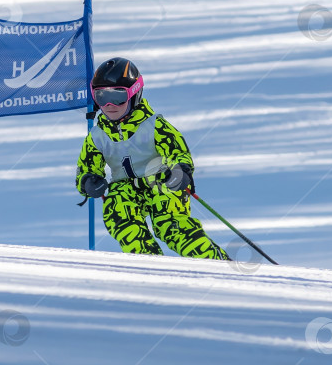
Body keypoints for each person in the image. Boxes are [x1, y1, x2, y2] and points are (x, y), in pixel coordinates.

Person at [76, 57, 229, 260]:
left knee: (170, 225)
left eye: (118, 96)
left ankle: (212, 261)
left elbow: (178, 151)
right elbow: (86, 167)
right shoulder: (97, 136)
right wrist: (88, 181)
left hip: (161, 181)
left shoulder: (154, 126)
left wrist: (180, 171)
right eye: (102, 97)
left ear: (134, 94)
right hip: (125, 188)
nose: (110, 104)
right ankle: (149, 262)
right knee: (118, 211)